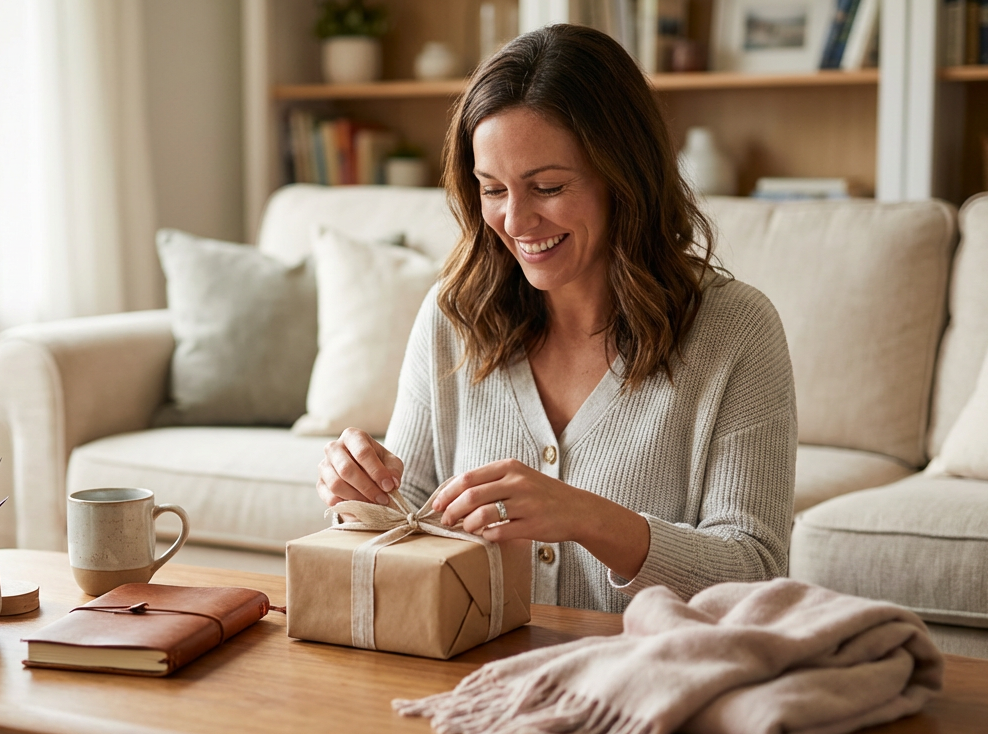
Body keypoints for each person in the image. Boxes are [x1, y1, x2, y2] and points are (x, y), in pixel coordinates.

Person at [316, 24, 797, 613]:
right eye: (492, 190)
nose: (516, 220)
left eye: (547, 186)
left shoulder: (736, 330)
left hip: (641, 685)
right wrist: (358, 496)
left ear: (626, 179)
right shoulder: (454, 315)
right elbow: (411, 517)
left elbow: (756, 573)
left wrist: (586, 516)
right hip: (477, 676)